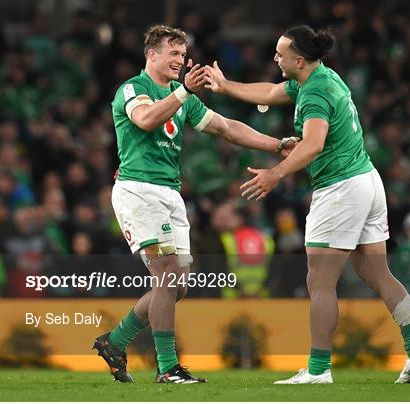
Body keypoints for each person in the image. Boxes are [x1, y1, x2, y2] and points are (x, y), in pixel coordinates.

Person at [204, 25, 410, 384]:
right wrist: (225, 85)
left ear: (299, 59)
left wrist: (275, 174)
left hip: (340, 188)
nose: (275, 58)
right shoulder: (321, 77)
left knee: (320, 282)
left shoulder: (313, 93)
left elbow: (312, 145)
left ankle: (317, 369)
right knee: (376, 273)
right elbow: (269, 91)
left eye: (280, 54)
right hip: (368, 181)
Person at [93, 25, 297, 384]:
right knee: (167, 275)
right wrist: (185, 91)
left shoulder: (178, 93)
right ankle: (168, 367)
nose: (181, 60)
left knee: (177, 285)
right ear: (151, 55)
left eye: (184, 54)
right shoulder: (134, 89)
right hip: (138, 190)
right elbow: (144, 119)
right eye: (173, 53)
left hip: (170, 194)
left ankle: (116, 340)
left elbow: (226, 127)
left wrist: (276, 145)